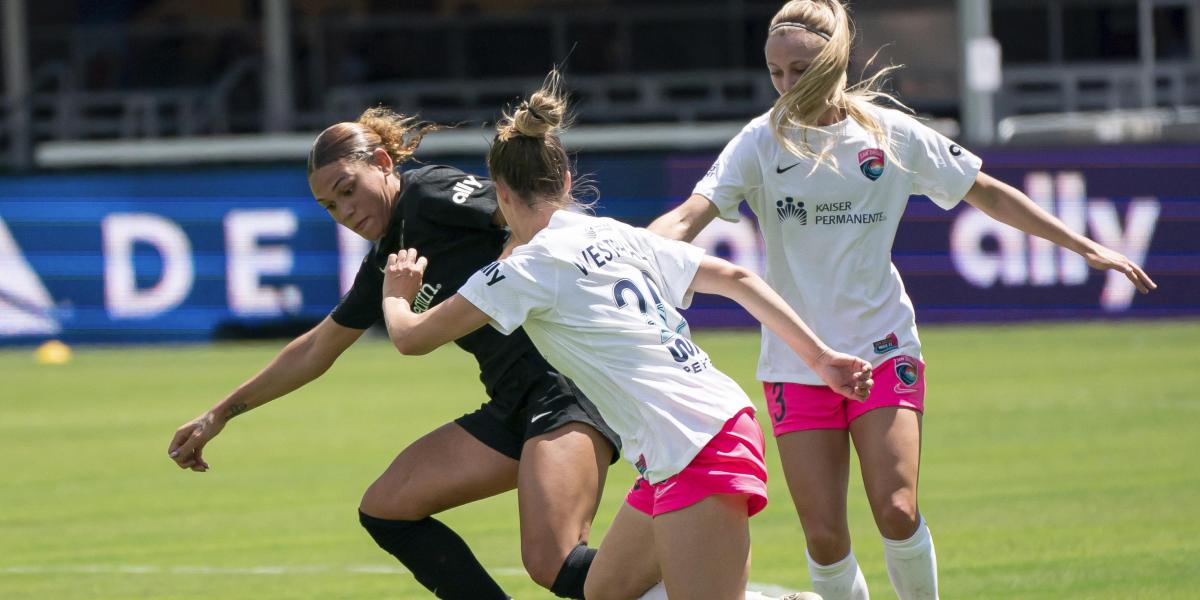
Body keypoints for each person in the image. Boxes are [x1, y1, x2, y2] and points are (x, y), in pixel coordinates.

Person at [647, 2, 1158, 599]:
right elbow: (688, 215)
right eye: (775, 72)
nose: (786, 85)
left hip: (883, 346)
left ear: (833, 64)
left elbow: (987, 193)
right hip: (795, 362)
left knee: (896, 509)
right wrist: (632, 255)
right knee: (824, 538)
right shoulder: (759, 142)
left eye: (799, 69)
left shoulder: (888, 135)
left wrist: (1082, 245)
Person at [377, 70, 873, 600]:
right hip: (702, 429)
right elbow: (737, 278)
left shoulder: (523, 272)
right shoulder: (612, 233)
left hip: (696, 444)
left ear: (499, 194)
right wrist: (819, 357)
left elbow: (412, 337)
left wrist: (395, 291)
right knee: (604, 592)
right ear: (565, 181)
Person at [167, 107, 624, 600]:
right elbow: (317, 348)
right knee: (387, 508)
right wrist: (220, 415)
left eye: (347, 190)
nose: (344, 212)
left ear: (383, 162)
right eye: (330, 207)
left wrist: (503, 280)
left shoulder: (429, 194)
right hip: (515, 401)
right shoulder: (388, 260)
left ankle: (693, 573)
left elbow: (540, 220)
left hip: (567, 385)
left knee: (554, 563)